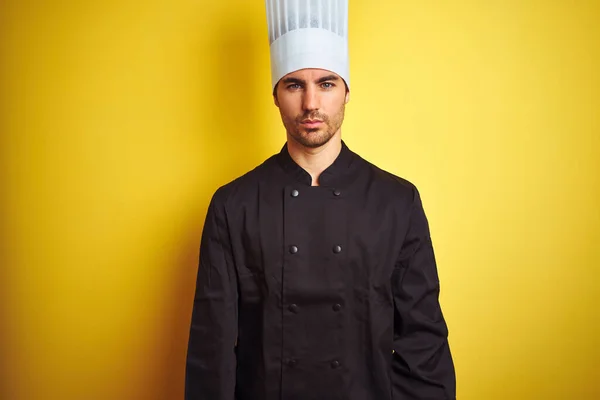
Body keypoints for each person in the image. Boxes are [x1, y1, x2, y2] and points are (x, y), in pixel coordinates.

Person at [185, 1, 455, 399]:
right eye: (295, 84)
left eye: (326, 83)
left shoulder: (396, 202)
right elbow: (213, 350)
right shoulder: (233, 206)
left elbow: (424, 346)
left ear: (346, 91)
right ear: (276, 94)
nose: (311, 103)